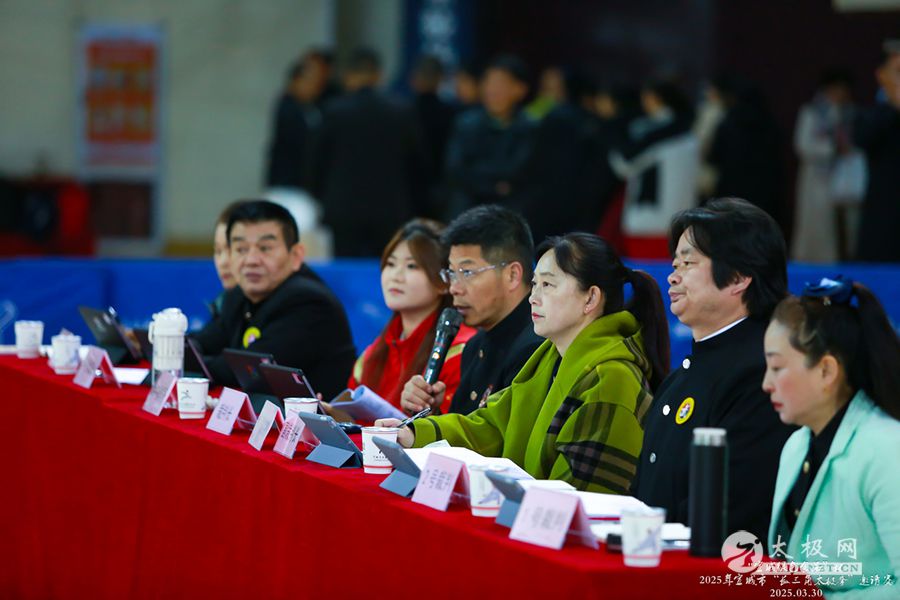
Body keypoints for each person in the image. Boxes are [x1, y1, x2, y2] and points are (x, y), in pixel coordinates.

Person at [377, 232, 670, 492]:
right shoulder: (548, 359)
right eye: (535, 284)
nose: (533, 297)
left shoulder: (612, 377)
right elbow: (491, 426)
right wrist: (413, 433)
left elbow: (580, 496)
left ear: (591, 298)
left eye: (548, 284)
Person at [631, 198, 794, 542]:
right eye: (675, 263)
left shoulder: (762, 375)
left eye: (688, 263)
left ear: (738, 277)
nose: (673, 276)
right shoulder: (682, 377)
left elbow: (733, 512)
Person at [764, 276, 900, 596]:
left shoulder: (888, 450)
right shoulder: (796, 446)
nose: (766, 384)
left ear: (826, 371)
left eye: (777, 368)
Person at [192, 200, 356, 399]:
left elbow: (249, 371)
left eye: (265, 248)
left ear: (296, 255)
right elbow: (203, 343)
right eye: (241, 249)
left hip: (320, 418)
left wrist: (182, 358)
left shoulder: (309, 302)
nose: (251, 260)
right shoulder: (238, 296)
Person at [399, 205, 542, 416]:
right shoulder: (475, 347)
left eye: (467, 272)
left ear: (512, 275)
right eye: (451, 273)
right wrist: (430, 412)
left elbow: (503, 435)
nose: (454, 288)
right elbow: (468, 430)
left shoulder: (536, 348)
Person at [348, 219, 476, 412]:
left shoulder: (461, 352)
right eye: (391, 264)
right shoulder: (372, 355)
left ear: (444, 281)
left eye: (412, 266)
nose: (396, 276)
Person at [310, 47, 427, 256]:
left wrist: (321, 196)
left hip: (343, 207)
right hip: (390, 208)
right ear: (378, 75)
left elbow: (315, 163)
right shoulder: (401, 111)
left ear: (348, 76)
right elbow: (418, 165)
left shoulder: (334, 111)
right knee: (388, 265)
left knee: (346, 267)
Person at [608, 78, 699, 259]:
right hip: (684, 217)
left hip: (646, 218)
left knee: (646, 270)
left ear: (654, 98)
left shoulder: (647, 131)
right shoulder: (689, 134)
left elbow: (624, 165)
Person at [444, 54, 537, 217]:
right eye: (489, 82)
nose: (492, 90)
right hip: (466, 212)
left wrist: (479, 175)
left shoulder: (530, 128)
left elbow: (520, 173)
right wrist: (496, 186)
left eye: (501, 83)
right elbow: (456, 170)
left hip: (509, 214)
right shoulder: (466, 123)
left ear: (520, 89)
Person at [792, 69, 862, 263]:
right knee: (819, 226)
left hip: (846, 176)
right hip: (818, 177)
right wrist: (832, 148)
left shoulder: (852, 112)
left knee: (849, 225)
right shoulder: (812, 112)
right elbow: (803, 145)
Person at [855, 40, 900, 263]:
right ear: (882, 75)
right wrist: (896, 103)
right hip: (885, 212)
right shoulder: (873, 112)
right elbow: (863, 138)